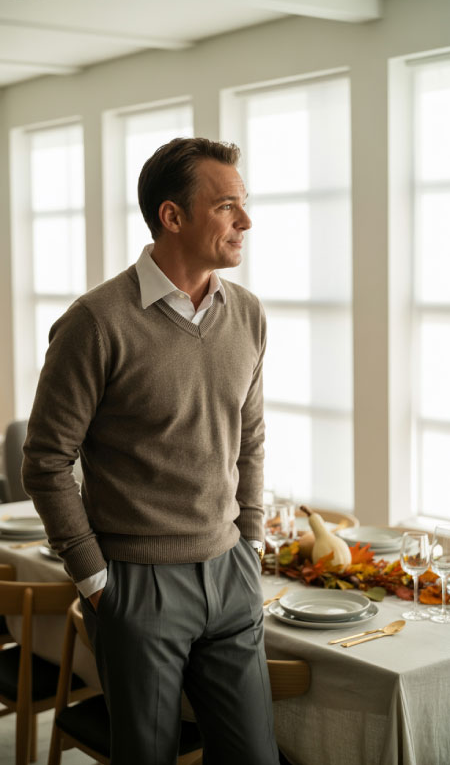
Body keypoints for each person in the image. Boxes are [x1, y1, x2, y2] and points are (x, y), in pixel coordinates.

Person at [22, 137, 280, 765]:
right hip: (137, 586)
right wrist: (97, 581)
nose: (245, 221)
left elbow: (250, 437)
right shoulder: (96, 323)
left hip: (230, 575)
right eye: (226, 207)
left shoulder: (246, 314)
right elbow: (46, 460)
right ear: (172, 216)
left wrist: (246, 540)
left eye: (243, 204)